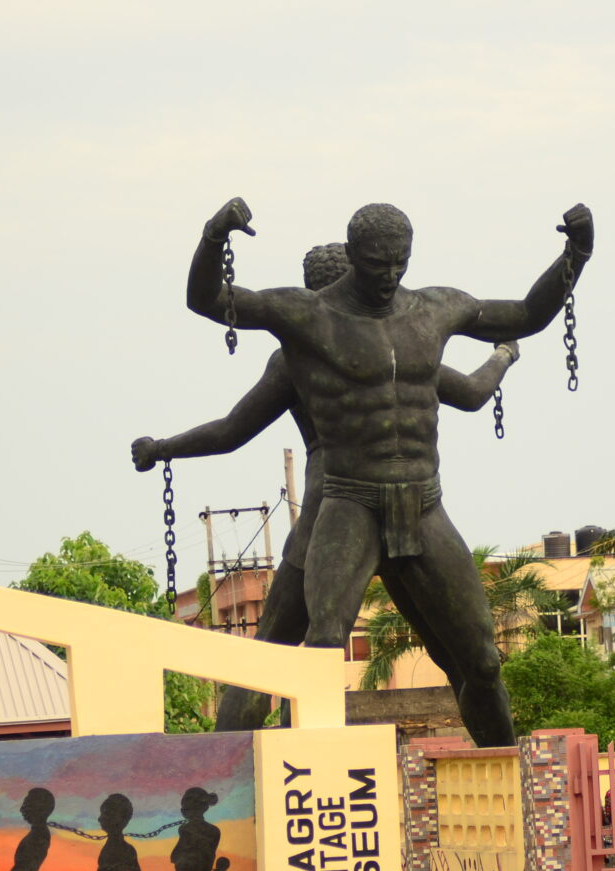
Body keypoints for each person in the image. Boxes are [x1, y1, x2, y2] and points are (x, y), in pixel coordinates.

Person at [187, 197, 593, 747]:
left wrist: (576, 254)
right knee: (323, 652)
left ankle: (506, 768)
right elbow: (208, 300)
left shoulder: (434, 309)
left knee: (483, 660)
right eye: (378, 263)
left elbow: (526, 314)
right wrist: (215, 238)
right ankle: (310, 782)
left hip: (423, 505)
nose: (389, 275)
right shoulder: (309, 316)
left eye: (399, 263)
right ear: (353, 254)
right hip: (349, 503)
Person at [135, 241, 518, 730]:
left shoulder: (362, 350)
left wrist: (163, 447)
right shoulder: (351, 349)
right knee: (446, 656)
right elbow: (472, 391)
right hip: (343, 515)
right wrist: (503, 356)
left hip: (338, 515)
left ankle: (234, 773)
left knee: (272, 658)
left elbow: (231, 431)